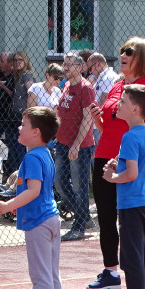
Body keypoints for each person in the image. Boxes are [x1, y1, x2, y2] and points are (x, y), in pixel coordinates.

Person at [87, 37, 145, 289]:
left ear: (141, 57)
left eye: (129, 52)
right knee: (106, 217)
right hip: (104, 156)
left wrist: (133, 167)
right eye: (121, 51)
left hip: (126, 159)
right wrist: (98, 119)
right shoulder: (117, 86)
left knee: (128, 219)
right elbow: (109, 127)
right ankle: (110, 271)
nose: (122, 55)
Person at [0, 107, 62, 289]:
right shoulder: (44, 153)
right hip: (51, 218)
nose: (19, 128)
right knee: (51, 273)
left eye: (24, 124)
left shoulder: (31, 157)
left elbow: (33, 190)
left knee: (41, 274)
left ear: (36, 132)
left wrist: (8, 206)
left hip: (39, 221)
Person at [101, 84, 145, 289]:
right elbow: (135, 167)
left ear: (135, 109)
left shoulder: (130, 136)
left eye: (123, 102)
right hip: (144, 201)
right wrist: (120, 167)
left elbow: (132, 174)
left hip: (132, 203)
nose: (118, 105)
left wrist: (112, 178)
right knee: (143, 257)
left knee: (132, 260)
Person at [53, 53, 96, 242]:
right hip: (62, 142)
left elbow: (88, 119)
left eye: (69, 64)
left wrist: (76, 145)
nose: (65, 67)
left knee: (79, 187)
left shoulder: (86, 88)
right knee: (60, 182)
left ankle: (79, 227)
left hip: (79, 146)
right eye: (64, 64)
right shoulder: (67, 85)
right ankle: (84, 216)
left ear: (80, 67)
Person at [8, 51, 36, 169]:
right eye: (15, 60)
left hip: (22, 115)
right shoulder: (18, 75)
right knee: (14, 145)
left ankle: (22, 171)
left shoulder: (26, 75)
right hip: (15, 115)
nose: (17, 62)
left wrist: (29, 112)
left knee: (20, 146)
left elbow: (32, 92)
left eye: (20, 60)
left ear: (25, 61)